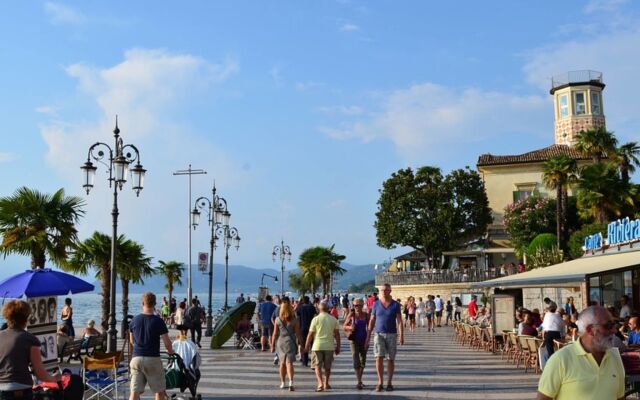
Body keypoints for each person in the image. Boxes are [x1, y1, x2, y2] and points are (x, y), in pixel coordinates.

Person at [537, 306, 624, 400]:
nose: (614, 330)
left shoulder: (614, 357)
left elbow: (620, 397)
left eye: (614, 325)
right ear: (590, 329)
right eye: (608, 326)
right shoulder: (560, 360)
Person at [0, 300, 61, 398]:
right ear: (26, 318)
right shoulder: (30, 339)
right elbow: (39, 373)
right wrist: (55, 379)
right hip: (21, 390)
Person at [129, 292, 174, 400]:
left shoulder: (134, 321)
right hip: (152, 359)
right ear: (154, 304)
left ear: (142, 303)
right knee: (159, 391)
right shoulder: (158, 321)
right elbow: (167, 343)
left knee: (134, 392)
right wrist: (171, 352)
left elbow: (132, 341)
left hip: (136, 359)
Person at [366, 283, 404, 392]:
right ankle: (380, 382)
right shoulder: (376, 304)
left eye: (385, 290)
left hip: (392, 334)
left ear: (390, 291)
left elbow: (399, 321)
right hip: (378, 334)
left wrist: (401, 335)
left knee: (390, 359)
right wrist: (368, 335)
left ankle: (389, 383)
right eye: (382, 290)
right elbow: (372, 320)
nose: (383, 292)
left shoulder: (395, 305)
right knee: (378, 357)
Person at [305, 301, 340, 392]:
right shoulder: (333, 319)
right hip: (329, 346)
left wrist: (306, 346)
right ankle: (326, 383)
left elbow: (310, 334)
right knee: (327, 367)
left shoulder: (315, 319)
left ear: (319, 309)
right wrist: (338, 347)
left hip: (317, 346)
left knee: (317, 366)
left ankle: (320, 383)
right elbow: (337, 335)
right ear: (328, 309)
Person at [271, 302, 303, 391]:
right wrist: (302, 344)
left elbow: (275, 334)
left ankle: (282, 382)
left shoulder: (277, 319)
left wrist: (272, 345)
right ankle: (291, 381)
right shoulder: (295, 320)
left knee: (282, 363)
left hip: (281, 342)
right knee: (289, 363)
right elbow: (298, 333)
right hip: (290, 342)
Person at [343, 297, 369, 390]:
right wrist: (350, 328)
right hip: (353, 340)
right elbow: (344, 326)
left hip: (363, 339)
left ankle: (360, 380)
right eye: (354, 305)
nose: (356, 307)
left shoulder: (366, 315)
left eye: (358, 305)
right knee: (356, 359)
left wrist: (368, 339)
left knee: (363, 361)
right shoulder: (351, 314)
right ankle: (359, 381)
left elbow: (369, 328)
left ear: (362, 305)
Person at [296, 295, 316, 367]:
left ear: (302, 301)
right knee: (313, 344)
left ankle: (305, 361)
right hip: (311, 328)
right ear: (308, 301)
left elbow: (298, 318)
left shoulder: (299, 308)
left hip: (302, 328)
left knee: (304, 344)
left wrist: (297, 328)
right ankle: (314, 360)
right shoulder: (312, 307)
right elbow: (315, 316)